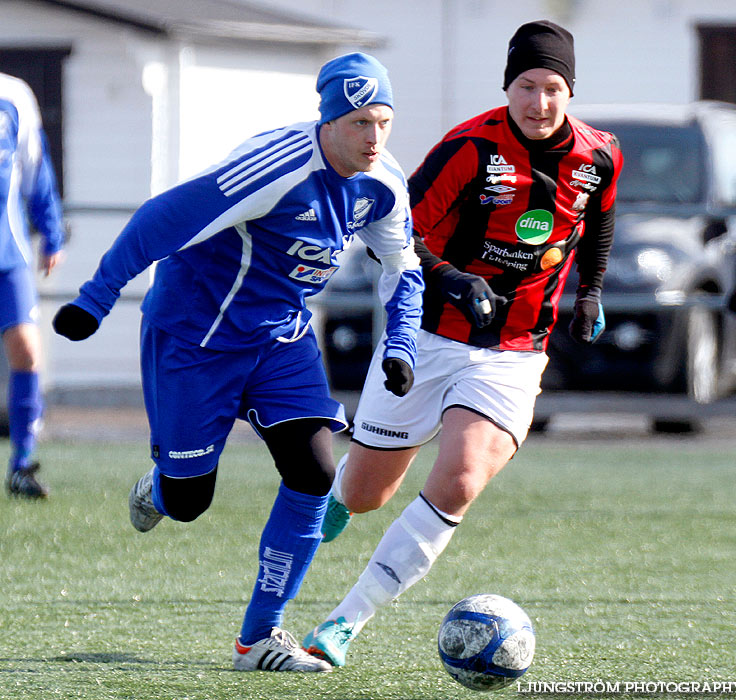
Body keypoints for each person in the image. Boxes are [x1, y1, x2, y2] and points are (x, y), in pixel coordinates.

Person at [52, 52, 423, 672]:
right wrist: (96, 299)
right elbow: (158, 221)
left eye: (383, 121)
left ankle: (259, 639)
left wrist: (402, 342)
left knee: (312, 475)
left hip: (281, 340)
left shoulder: (382, 182)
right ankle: (164, 488)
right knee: (190, 500)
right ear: (328, 121)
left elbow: (401, 267)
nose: (373, 137)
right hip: (196, 337)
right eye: (359, 122)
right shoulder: (274, 168)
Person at [302, 20, 624, 667]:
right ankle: (340, 497)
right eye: (527, 86)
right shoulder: (470, 148)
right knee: (368, 494)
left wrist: (590, 291)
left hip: (514, 351)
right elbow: (392, 229)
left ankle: (342, 624)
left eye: (553, 88)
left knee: (461, 477)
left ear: (570, 91)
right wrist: (450, 278)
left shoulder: (599, 156)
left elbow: (597, 227)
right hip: (428, 336)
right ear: (508, 87)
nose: (539, 103)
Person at [1, 72, 65, 499]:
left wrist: (51, 231)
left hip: (8, 253)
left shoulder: (14, 94)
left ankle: (21, 465)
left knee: (27, 349)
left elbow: (36, 168)